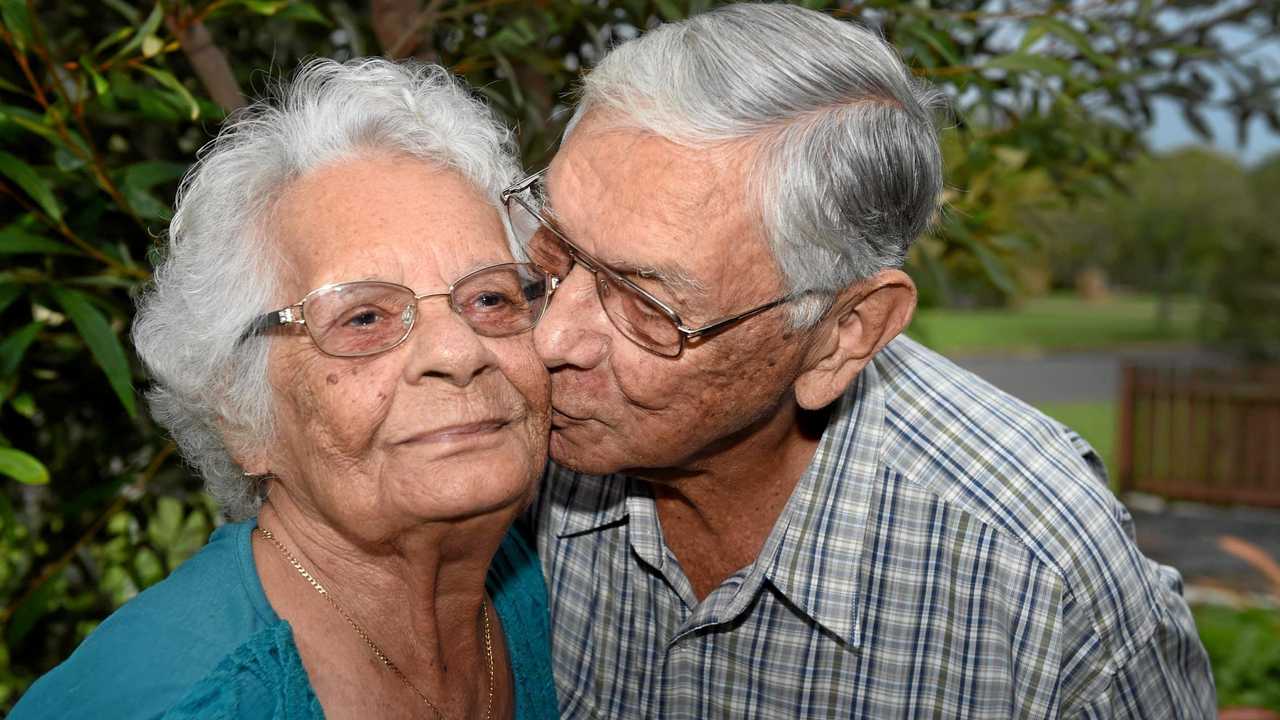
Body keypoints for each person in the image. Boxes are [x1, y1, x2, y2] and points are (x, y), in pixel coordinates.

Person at [503, 4, 1216, 718]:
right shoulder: (508, 454)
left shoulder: (1037, 571)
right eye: (553, 247)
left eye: (644, 304)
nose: (550, 339)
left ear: (843, 333)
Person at [13, 59, 558, 720]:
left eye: (491, 297)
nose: (457, 350)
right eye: (363, 317)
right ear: (242, 418)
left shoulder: (566, 590)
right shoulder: (168, 701)